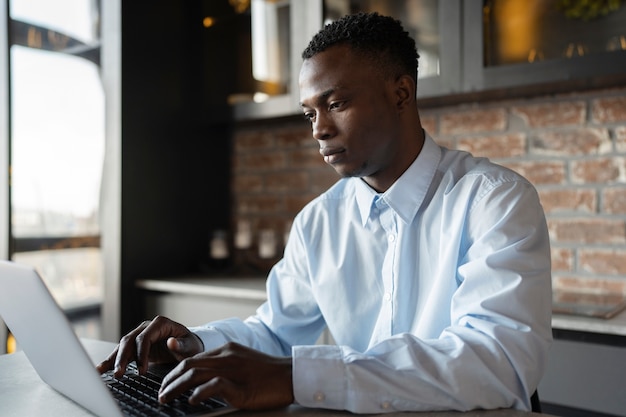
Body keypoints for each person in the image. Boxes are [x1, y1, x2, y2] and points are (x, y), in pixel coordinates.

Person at [97, 12, 552, 413]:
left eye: (336, 104)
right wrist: (195, 343)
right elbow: (276, 332)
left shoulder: (495, 200)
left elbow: (497, 363)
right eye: (309, 113)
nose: (320, 129)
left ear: (401, 93)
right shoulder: (319, 221)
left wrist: (296, 378)